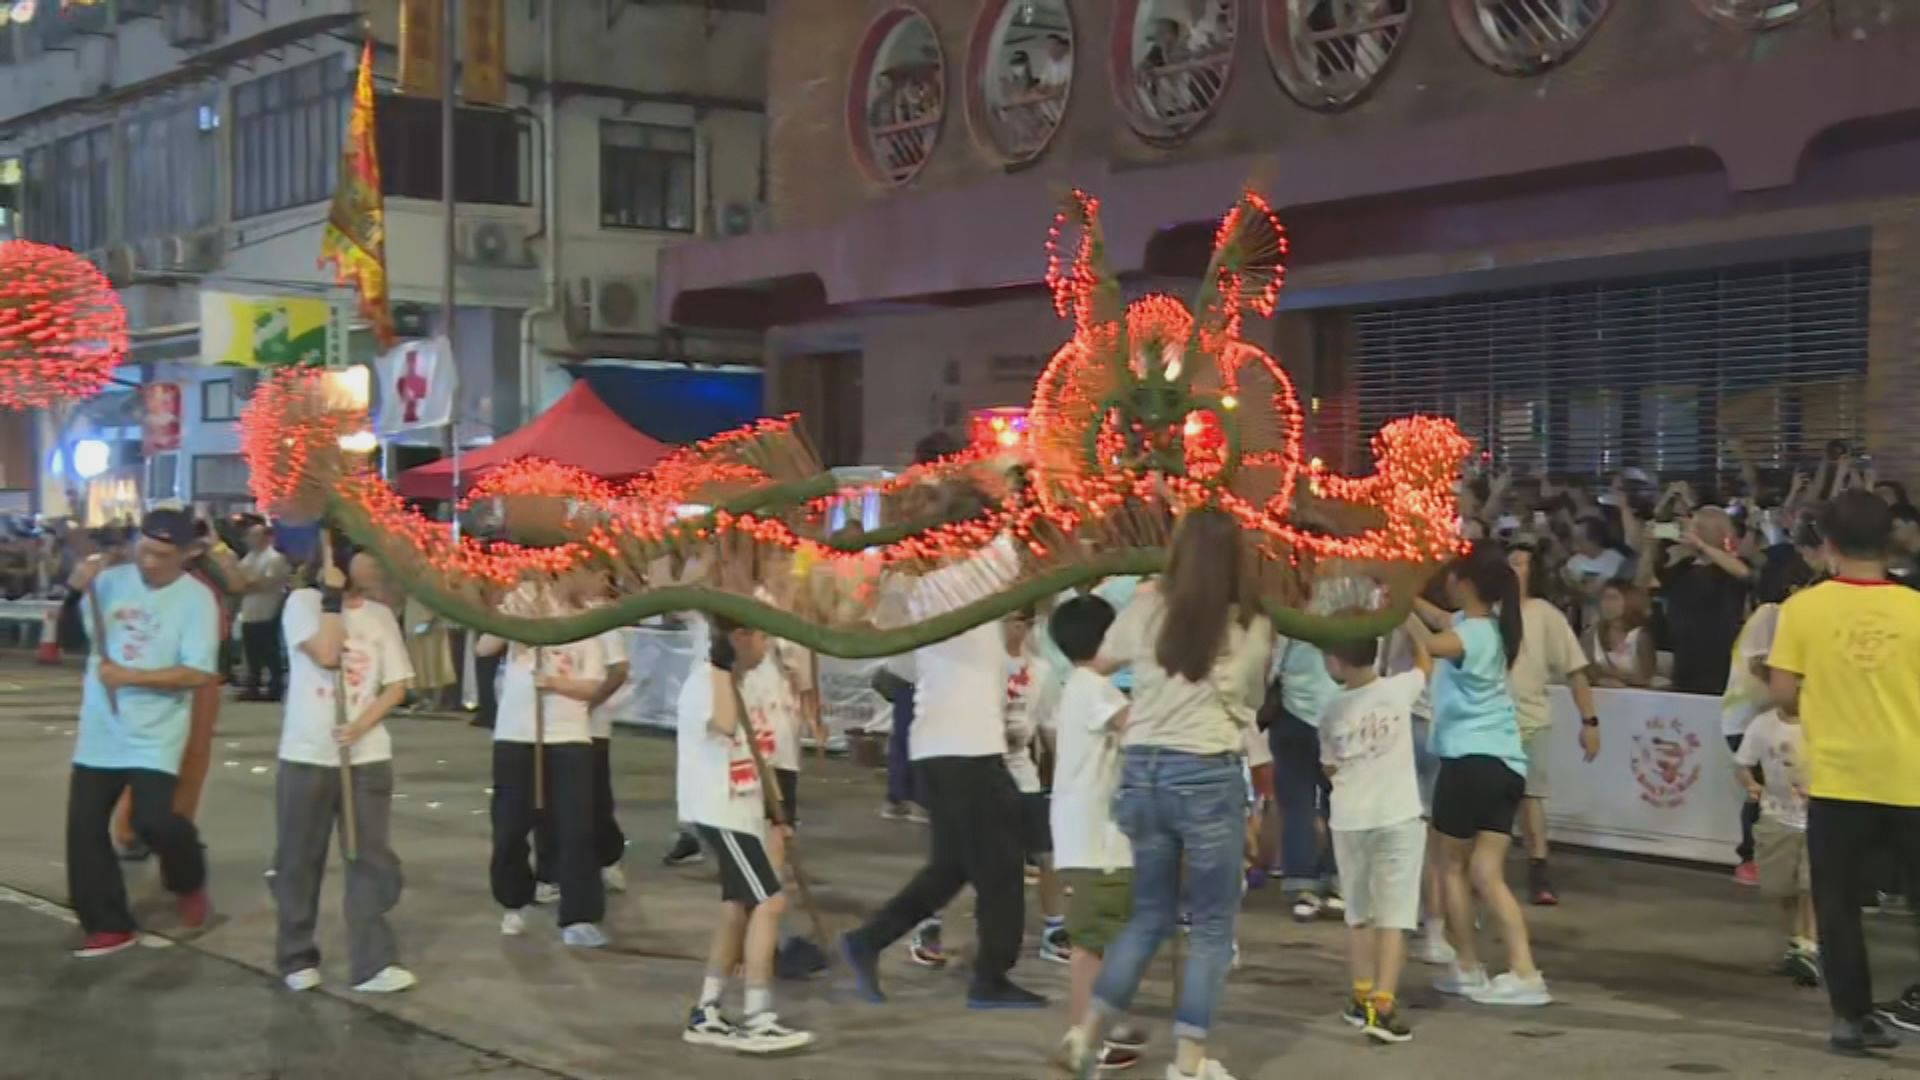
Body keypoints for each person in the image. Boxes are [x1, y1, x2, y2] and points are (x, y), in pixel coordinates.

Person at [1051, 508, 1273, 1080]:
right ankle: (1189, 1062)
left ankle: (1086, 1037)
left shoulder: (1148, 605)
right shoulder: (1249, 622)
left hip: (1142, 771)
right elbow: (1246, 698)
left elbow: (1099, 663)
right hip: (1204, 772)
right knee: (1211, 927)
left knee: (1147, 917)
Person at [839, 527, 1044, 1009]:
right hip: (966, 749)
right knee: (1002, 866)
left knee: (951, 868)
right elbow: (1024, 541)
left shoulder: (931, 589)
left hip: (944, 746)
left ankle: (868, 941)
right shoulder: (964, 580)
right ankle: (990, 977)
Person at [1767, 491, 1920, 1054]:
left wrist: (1830, 692)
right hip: (1912, 777)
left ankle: (1851, 1019)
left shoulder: (1803, 609)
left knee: (1838, 906)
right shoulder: (1917, 608)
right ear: (1891, 542)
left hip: (1837, 779)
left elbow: (1783, 693)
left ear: (1827, 544)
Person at [64, 508, 220, 957]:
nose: (149, 561)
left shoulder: (196, 599)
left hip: (156, 731)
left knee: (154, 823)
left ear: (186, 555)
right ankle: (109, 924)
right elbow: (76, 639)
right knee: (85, 828)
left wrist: (131, 678)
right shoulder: (111, 582)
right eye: (144, 549)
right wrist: (74, 592)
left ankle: (187, 878)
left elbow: (195, 672)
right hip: (102, 729)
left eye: (162, 555)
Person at [1403, 544, 1550, 1007]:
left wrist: (1395, 611)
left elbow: (1429, 643)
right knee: (1487, 874)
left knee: (1452, 869)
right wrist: (1405, 598)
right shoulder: (1483, 627)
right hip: (1503, 763)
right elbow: (1437, 621)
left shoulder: (1474, 636)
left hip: (1470, 762)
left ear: (1465, 585)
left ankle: (1468, 966)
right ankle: (1524, 971)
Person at [274, 546, 416, 993]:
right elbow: (327, 653)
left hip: (366, 755)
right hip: (308, 753)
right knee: (300, 858)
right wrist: (332, 599)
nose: (378, 564)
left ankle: (372, 962)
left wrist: (360, 725)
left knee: (370, 857)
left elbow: (398, 684)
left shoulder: (380, 614)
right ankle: (296, 955)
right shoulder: (302, 604)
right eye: (368, 556)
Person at [676, 615, 815, 1055]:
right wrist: (721, 668)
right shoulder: (706, 681)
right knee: (770, 902)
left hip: (748, 810)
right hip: (719, 810)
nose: (766, 647)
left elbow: (763, 754)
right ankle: (758, 1017)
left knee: (738, 909)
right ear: (740, 638)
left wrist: (778, 817)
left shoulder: (750, 682)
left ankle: (708, 1011)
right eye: (761, 636)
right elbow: (722, 724)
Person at [477, 589, 624, 949]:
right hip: (515, 736)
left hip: (569, 737)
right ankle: (514, 900)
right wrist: (516, 616)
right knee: (510, 826)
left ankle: (579, 915)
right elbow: (484, 647)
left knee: (576, 829)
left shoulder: (585, 623)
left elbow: (592, 685)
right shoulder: (518, 605)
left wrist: (556, 683)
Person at [1045, 595, 1147, 1074]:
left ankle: (1101, 1025)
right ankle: (1084, 1036)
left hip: (1087, 836)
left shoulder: (1084, 686)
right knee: (1094, 942)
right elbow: (1140, 727)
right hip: (1097, 839)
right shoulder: (1093, 687)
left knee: (1104, 935)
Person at [1320, 632, 1427, 1044]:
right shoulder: (1399, 690)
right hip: (1398, 814)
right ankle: (1383, 1004)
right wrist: (1409, 621)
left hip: (1349, 817)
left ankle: (1360, 995)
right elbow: (1425, 663)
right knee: (1395, 915)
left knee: (1358, 913)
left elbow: (1329, 768)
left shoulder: (1329, 711)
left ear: (1337, 660)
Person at [1505, 539, 1602, 907]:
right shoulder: (1486, 613)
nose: (1513, 569)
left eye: (1520, 563)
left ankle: (1538, 869)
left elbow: (1576, 671)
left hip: (1531, 720)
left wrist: (1589, 721)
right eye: (1509, 562)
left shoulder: (1545, 614)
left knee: (1532, 799)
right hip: (1487, 722)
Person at [1732, 706, 1819, 987]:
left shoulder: (1824, 719)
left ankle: (1810, 948)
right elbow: (1742, 763)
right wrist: (1752, 786)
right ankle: (1797, 944)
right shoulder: (1763, 724)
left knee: (1811, 887)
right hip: (1776, 818)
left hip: (1817, 820)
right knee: (1781, 888)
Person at [1002, 607, 1070, 964]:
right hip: (978, 771)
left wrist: (1063, 782)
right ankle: (930, 923)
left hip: (1021, 771)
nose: (1015, 628)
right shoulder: (984, 666)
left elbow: (1050, 727)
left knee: (1046, 853)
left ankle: (1054, 928)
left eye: (1022, 621)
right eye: (1009, 620)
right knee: (959, 857)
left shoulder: (1041, 672)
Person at [1637, 506, 1751, 695]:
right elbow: (1643, 583)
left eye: (1699, 528)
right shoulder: (1683, 567)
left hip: (1719, 656)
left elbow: (1743, 573)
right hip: (1685, 653)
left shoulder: (1731, 566)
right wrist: (1648, 548)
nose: (1691, 532)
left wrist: (1702, 545)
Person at [1269, 631, 1343, 921]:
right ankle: (1337, 880)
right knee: (1339, 800)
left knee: (1297, 804)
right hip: (1340, 708)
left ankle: (1301, 886)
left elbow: (1272, 662)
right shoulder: (1356, 597)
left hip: (1292, 711)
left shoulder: (1288, 607)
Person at [236, 523, 290, 702]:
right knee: (252, 652)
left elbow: (266, 583)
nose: (250, 540)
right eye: (250, 536)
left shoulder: (275, 558)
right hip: (249, 609)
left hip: (267, 609)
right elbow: (238, 580)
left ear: (267, 537)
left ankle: (275, 687)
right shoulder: (249, 557)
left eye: (255, 535)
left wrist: (246, 582)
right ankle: (253, 685)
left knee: (269, 651)